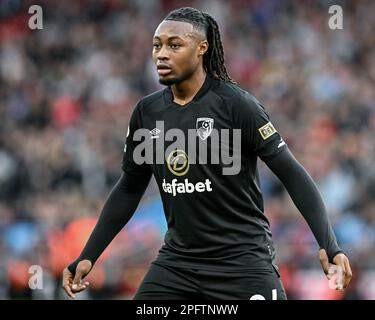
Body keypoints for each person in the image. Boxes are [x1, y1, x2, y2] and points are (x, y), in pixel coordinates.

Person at [62, 7, 352, 300]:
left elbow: (292, 174)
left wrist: (329, 244)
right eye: (157, 45)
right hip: (178, 265)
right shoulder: (147, 113)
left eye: (174, 45)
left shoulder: (237, 106)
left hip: (242, 263)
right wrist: (89, 255)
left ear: (202, 48)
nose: (162, 54)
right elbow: (129, 187)